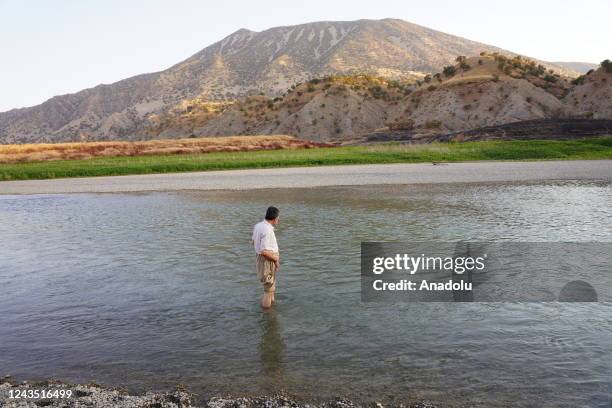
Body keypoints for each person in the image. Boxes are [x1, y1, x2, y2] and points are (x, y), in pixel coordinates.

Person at [252, 206, 280, 309]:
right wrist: (275, 260)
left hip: (263, 260)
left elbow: (253, 241)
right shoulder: (267, 230)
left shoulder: (258, 226)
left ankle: (272, 308)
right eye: (278, 218)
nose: (278, 220)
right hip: (267, 261)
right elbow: (264, 252)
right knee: (268, 290)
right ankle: (267, 315)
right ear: (275, 218)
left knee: (271, 288)